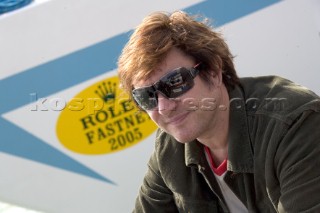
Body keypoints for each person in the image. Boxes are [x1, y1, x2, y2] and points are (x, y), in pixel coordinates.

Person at [117, 11, 320, 213]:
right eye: (146, 97)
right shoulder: (169, 150)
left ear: (213, 73)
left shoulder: (296, 124)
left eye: (175, 83)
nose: (164, 107)